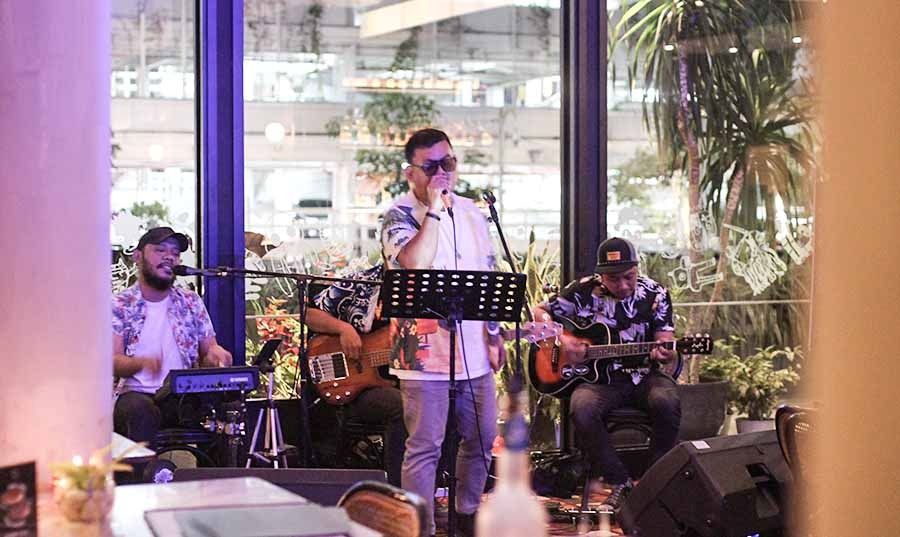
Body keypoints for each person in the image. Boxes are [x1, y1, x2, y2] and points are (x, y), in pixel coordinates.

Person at [380, 128, 505, 537]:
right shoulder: (398, 215)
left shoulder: (471, 212)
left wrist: (493, 333)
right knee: (425, 446)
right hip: (423, 353)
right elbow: (415, 262)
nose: (442, 173)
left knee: (483, 436)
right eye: (431, 166)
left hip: (472, 349)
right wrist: (433, 209)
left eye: (447, 163)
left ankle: (466, 515)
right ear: (410, 173)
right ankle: (421, 527)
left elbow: (487, 272)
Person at [532, 237, 680, 513]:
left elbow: (665, 341)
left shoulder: (656, 294)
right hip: (599, 382)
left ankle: (654, 483)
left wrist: (665, 352)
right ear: (600, 275)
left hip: (644, 376)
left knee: (667, 401)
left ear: (637, 269)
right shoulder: (582, 291)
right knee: (582, 407)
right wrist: (562, 339)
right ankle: (620, 482)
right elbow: (539, 311)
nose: (622, 285)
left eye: (628, 277)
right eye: (613, 279)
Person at [112, 227, 233, 444]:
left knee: (229, 409)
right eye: (160, 250)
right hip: (135, 394)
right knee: (139, 412)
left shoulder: (190, 301)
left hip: (180, 395)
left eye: (175, 253)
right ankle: (145, 467)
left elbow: (209, 349)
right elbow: (112, 361)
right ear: (137, 256)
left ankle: (220, 466)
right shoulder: (119, 304)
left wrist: (217, 355)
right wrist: (140, 364)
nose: (169, 257)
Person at [303, 263, 406, 488]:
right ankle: (398, 489)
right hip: (361, 389)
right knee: (404, 406)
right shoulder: (362, 282)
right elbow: (308, 314)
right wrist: (344, 329)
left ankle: (438, 485)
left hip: (409, 383)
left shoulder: (426, 291)